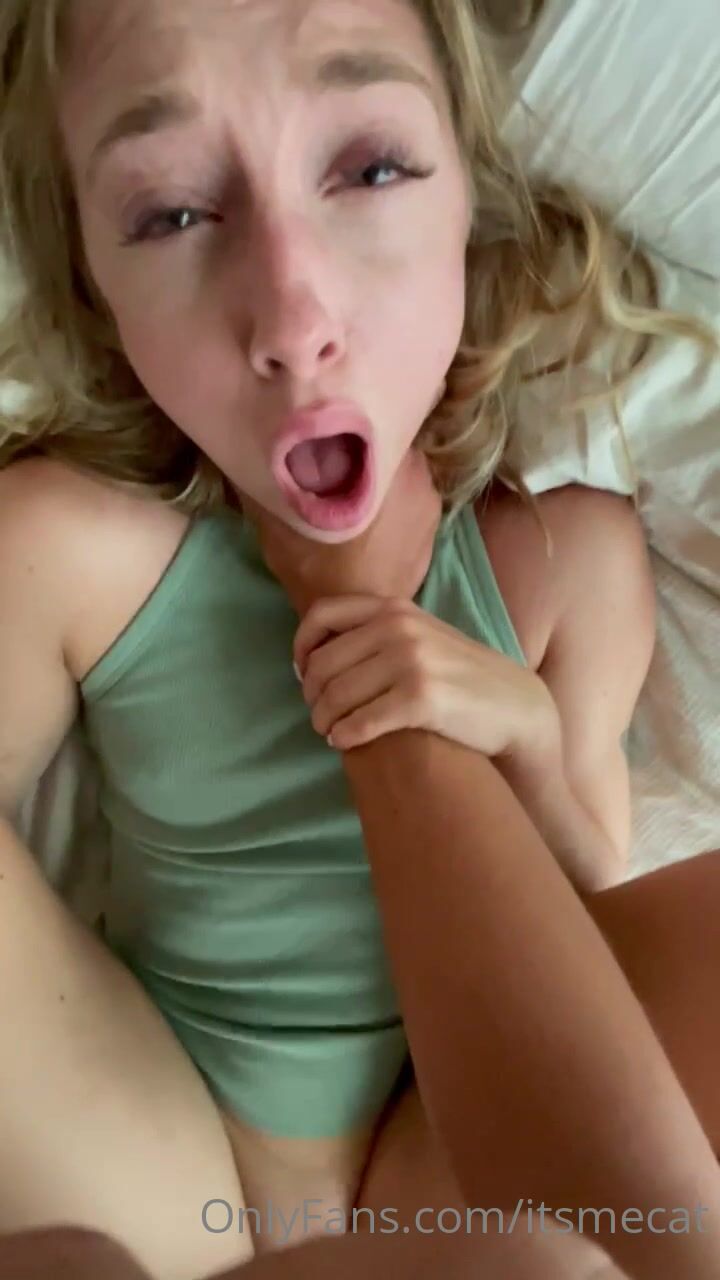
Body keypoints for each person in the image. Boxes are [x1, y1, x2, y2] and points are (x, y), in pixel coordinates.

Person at [0, 1, 718, 1278]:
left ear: (473, 206)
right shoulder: (69, 547)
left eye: (373, 169)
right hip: (180, 1162)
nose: (292, 318)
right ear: (96, 291)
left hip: (440, 1154)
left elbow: (591, 900)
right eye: (172, 212)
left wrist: (525, 740)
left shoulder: (570, 560)